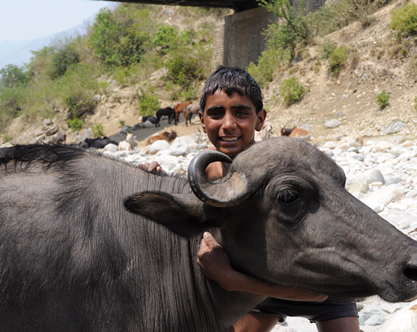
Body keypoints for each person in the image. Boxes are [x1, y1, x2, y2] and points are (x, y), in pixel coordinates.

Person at [141, 66, 360, 332]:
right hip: (258, 295)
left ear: (260, 119)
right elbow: (192, 209)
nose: (228, 124)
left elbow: (319, 294)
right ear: (202, 119)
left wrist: (234, 281)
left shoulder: (283, 172)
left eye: (241, 113)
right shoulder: (208, 169)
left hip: (314, 285)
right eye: (216, 113)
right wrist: (157, 179)